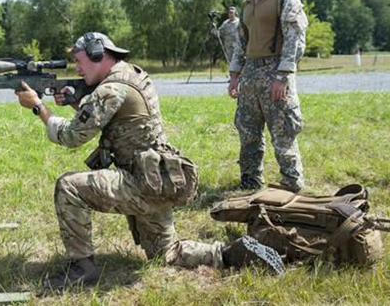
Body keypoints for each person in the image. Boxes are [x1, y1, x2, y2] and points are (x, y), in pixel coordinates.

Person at [15, 32, 281, 288]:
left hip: (141, 182)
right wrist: (78, 103)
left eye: (79, 60)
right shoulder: (132, 74)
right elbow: (113, 119)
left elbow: (72, 136)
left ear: (97, 54)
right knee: (167, 254)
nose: (76, 68)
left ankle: (82, 269)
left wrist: (38, 106)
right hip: (158, 179)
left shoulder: (110, 88)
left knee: (68, 186)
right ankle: (230, 254)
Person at [228, 0, 308, 192]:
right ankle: (250, 182)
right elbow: (241, 41)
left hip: (275, 72)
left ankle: (291, 184)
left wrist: (283, 76)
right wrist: (234, 75)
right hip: (250, 74)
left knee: (283, 132)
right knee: (248, 132)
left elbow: (295, 40)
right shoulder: (247, 3)